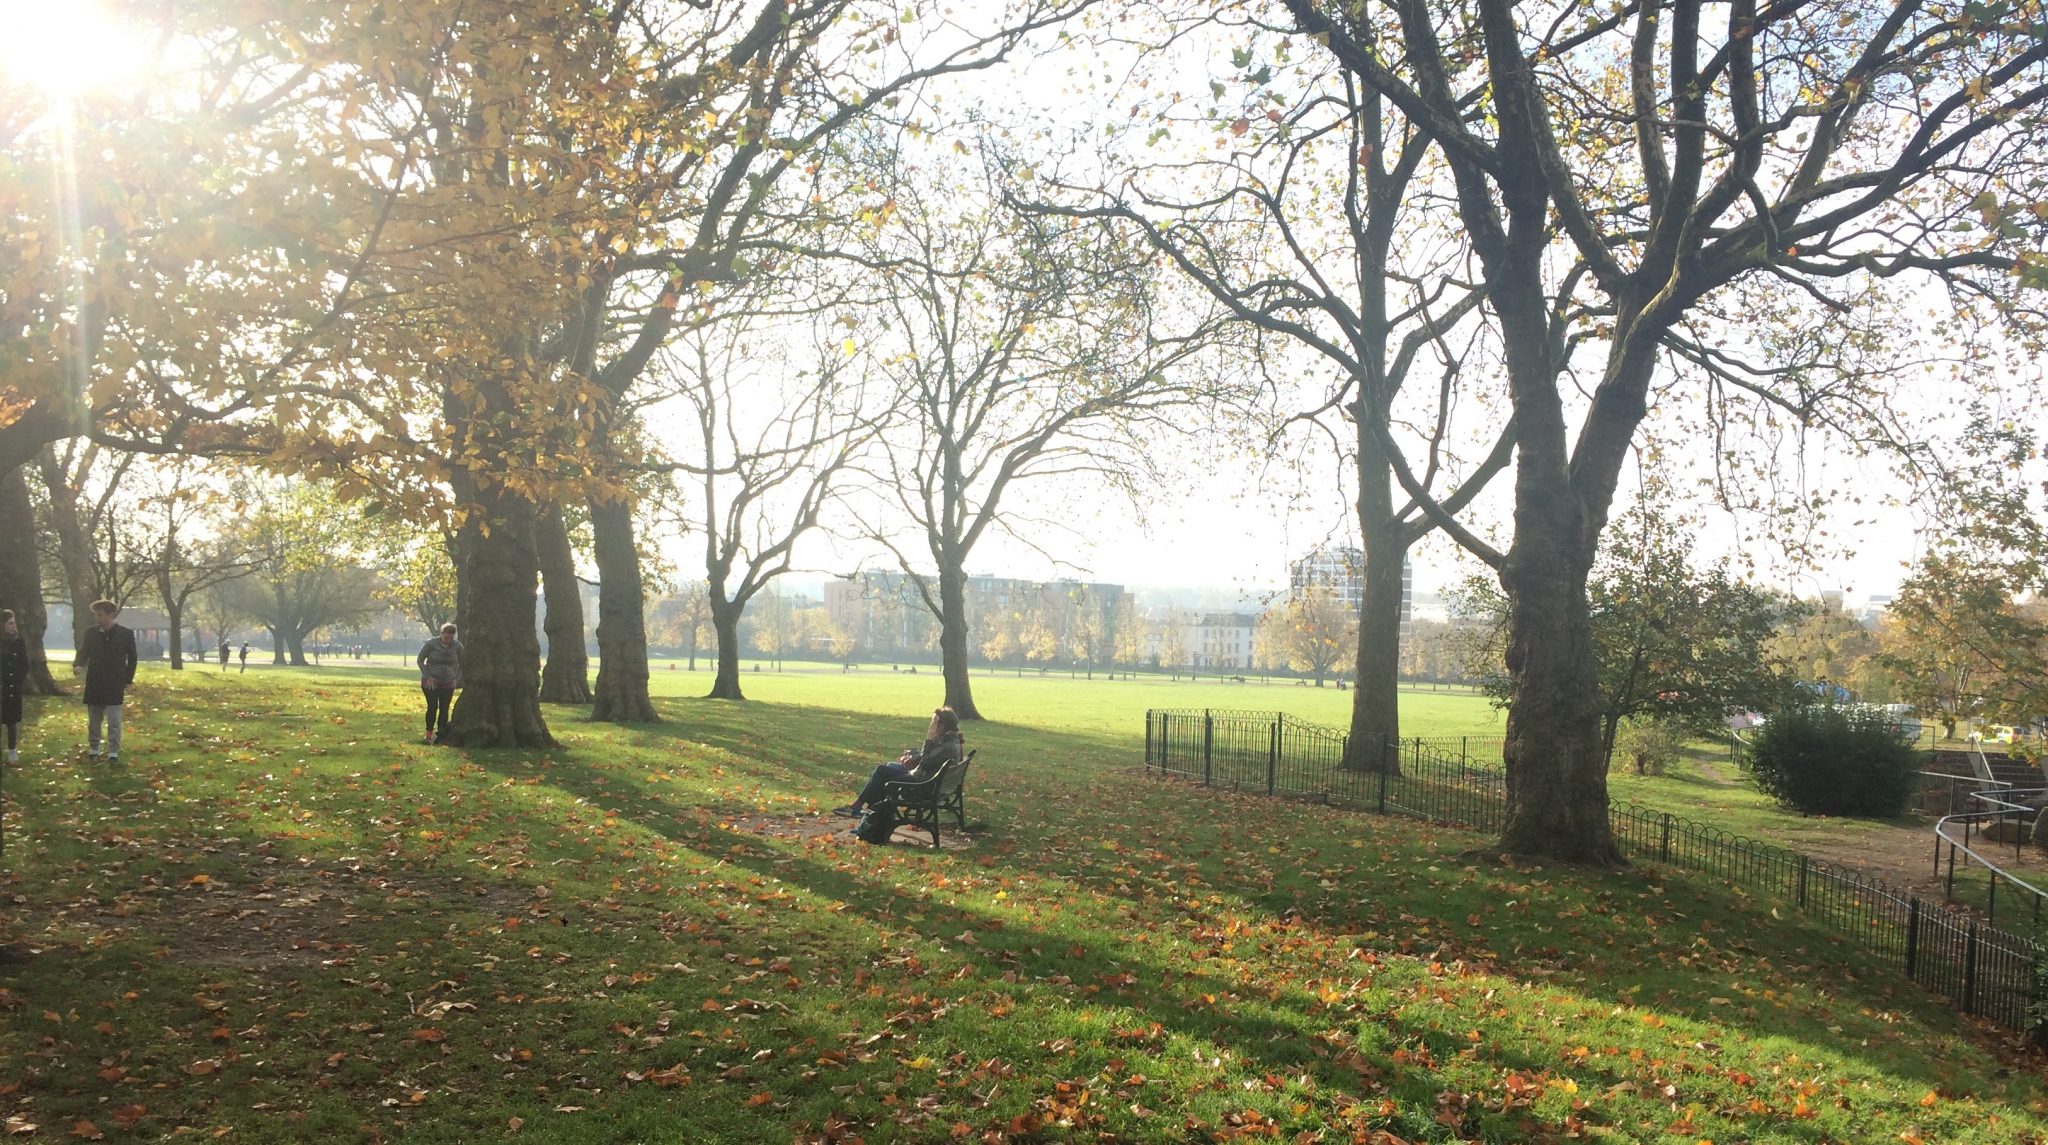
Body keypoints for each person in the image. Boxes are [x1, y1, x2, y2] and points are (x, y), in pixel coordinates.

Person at [834, 707, 964, 818]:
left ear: (942, 726)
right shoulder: (951, 741)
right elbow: (929, 759)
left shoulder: (948, 746)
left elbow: (924, 763)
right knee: (886, 768)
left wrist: (929, 738)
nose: (931, 726)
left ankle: (865, 810)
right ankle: (868, 809)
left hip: (923, 786)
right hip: (931, 781)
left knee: (883, 774)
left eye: (933, 724)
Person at [75, 600, 138, 763]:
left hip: (115, 682)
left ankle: (113, 751)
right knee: (94, 719)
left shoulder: (125, 634)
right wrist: (78, 665)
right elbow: (84, 652)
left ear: (111, 615)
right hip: (95, 681)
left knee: (114, 720)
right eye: (96, 614)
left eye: (100, 615)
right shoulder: (91, 633)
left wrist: (128, 679)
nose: (97, 618)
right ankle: (94, 748)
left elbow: (132, 658)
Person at [417, 623, 462, 745]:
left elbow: (463, 663)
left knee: (444, 708)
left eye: (451, 638)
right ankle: (428, 734)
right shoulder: (431, 644)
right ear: (441, 634)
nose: (448, 641)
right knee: (432, 707)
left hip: (448, 682)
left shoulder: (457, 646)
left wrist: (457, 678)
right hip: (431, 682)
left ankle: (441, 735)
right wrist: (428, 676)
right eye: (446, 637)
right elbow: (420, 660)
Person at [1, 610, 28, 764]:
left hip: (12, 688)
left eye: (14, 623)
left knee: (12, 722)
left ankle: (12, 752)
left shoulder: (19, 643)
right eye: (10, 623)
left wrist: (17, 681)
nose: (14, 626)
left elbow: (24, 665)